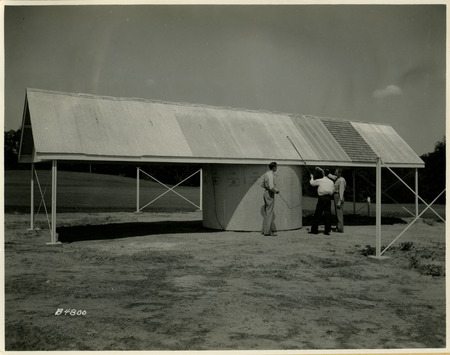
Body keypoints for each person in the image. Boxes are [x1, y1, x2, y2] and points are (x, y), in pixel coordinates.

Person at [309, 167, 335, 235]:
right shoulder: (331, 182)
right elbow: (332, 191)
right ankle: (327, 230)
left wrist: (311, 177)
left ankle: (314, 230)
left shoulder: (320, 180)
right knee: (328, 214)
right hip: (328, 198)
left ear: (323, 174)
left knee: (318, 213)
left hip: (322, 198)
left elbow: (312, 183)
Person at [261, 162, 279, 236]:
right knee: (269, 212)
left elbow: (262, 184)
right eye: (276, 167)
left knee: (267, 212)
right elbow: (271, 187)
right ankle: (267, 232)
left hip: (266, 193)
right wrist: (276, 191)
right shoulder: (271, 175)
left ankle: (265, 230)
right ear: (274, 167)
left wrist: (267, 187)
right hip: (270, 193)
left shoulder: (266, 174)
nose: (277, 168)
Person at [331, 168, 346, 233]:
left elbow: (341, 191)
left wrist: (339, 201)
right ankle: (338, 227)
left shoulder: (341, 180)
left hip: (338, 196)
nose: (335, 173)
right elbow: (329, 175)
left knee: (339, 213)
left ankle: (340, 228)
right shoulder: (337, 178)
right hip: (336, 196)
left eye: (336, 172)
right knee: (337, 213)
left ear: (340, 173)